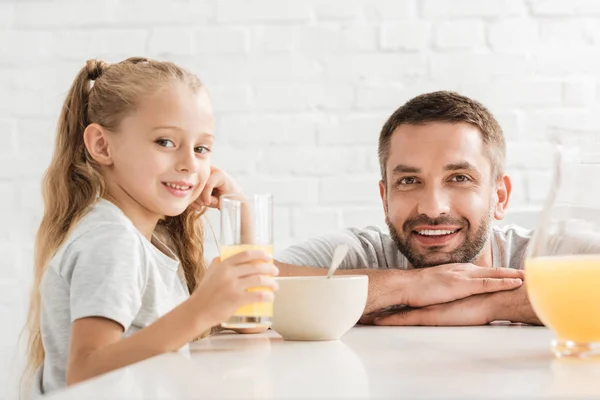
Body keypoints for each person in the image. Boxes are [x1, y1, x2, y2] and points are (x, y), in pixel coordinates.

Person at [22, 57, 279, 396]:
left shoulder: (149, 239)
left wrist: (241, 209)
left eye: (201, 148)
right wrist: (199, 311)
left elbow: (249, 322)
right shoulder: (111, 240)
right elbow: (84, 373)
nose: (189, 164)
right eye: (166, 142)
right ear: (101, 145)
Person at [275, 91, 541, 326]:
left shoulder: (539, 255)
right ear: (385, 198)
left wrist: (491, 305)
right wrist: (408, 285)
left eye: (459, 178)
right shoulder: (356, 257)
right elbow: (248, 289)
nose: (433, 209)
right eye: (409, 181)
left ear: (500, 197)